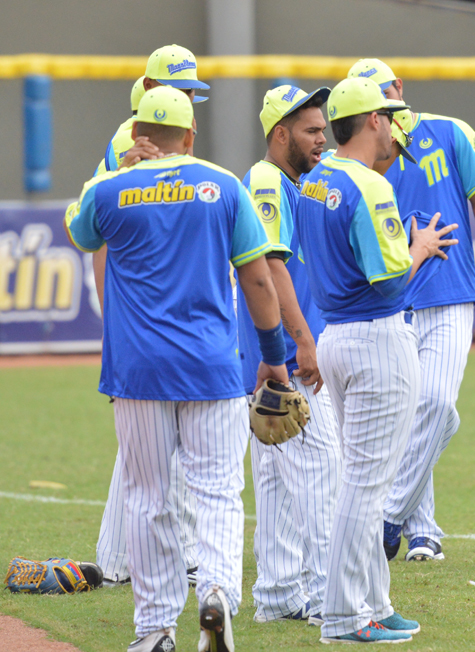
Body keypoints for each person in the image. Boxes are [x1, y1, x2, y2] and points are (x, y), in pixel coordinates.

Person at [64, 86, 288, 652]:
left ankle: (155, 629)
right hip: (211, 367)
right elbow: (259, 280)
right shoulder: (224, 186)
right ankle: (215, 592)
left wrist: (116, 171)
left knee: (146, 497)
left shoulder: (112, 188)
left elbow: (79, 229)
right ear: (191, 134)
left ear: (139, 132)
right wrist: (274, 355)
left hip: (137, 371)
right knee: (217, 491)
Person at [296, 76, 457, 644]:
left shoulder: (315, 178)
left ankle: (375, 601)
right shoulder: (368, 185)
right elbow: (387, 278)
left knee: (359, 481)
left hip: (337, 334)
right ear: (372, 121)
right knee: (367, 488)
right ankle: (343, 616)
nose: (394, 126)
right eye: (388, 115)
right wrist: (420, 249)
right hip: (375, 337)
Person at [348, 58, 475, 562]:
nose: (382, 110)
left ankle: (391, 516)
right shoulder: (362, 156)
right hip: (392, 299)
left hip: (448, 293)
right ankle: (424, 531)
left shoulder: (449, 131)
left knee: (435, 405)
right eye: (372, 103)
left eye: (385, 96)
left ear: (400, 88)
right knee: (414, 415)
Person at [93, 44, 209, 587]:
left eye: (189, 92)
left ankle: (118, 555)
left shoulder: (146, 136)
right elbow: (101, 238)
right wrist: (109, 317)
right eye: (177, 89)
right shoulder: (133, 142)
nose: (186, 100)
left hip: (146, 307)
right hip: (146, 308)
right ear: (147, 86)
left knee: (144, 446)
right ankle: (167, 553)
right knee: (166, 443)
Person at [236, 84, 342, 625]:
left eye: (322, 128)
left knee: (278, 479)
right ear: (281, 134)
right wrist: (299, 341)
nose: (322, 138)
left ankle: (277, 596)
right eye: (311, 130)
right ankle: (330, 597)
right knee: (322, 469)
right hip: (282, 355)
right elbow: (271, 266)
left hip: (269, 352)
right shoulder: (266, 180)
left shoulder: (287, 182)